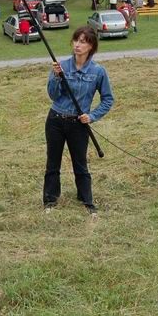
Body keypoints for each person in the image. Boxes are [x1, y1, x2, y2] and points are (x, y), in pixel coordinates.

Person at [44, 26, 114, 217]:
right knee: (53, 162)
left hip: (78, 124)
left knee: (80, 164)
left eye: (83, 42)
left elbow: (108, 99)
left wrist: (91, 116)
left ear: (91, 46)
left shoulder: (98, 71)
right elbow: (53, 95)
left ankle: (86, 200)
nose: (77, 45)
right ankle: (50, 200)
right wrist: (56, 77)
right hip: (56, 120)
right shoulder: (61, 66)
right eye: (76, 40)